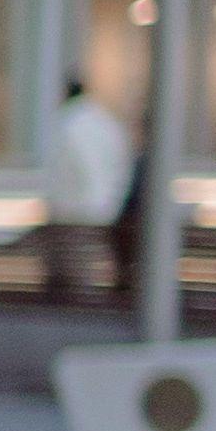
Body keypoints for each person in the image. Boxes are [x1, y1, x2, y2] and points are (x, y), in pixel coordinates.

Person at [43, 72, 139, 302]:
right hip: (100, 211)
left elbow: (74, 170)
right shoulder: (104, 122)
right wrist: (107, 205)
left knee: (73, 274)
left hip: (72, 213)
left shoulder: (68, 123)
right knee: (85, 272)